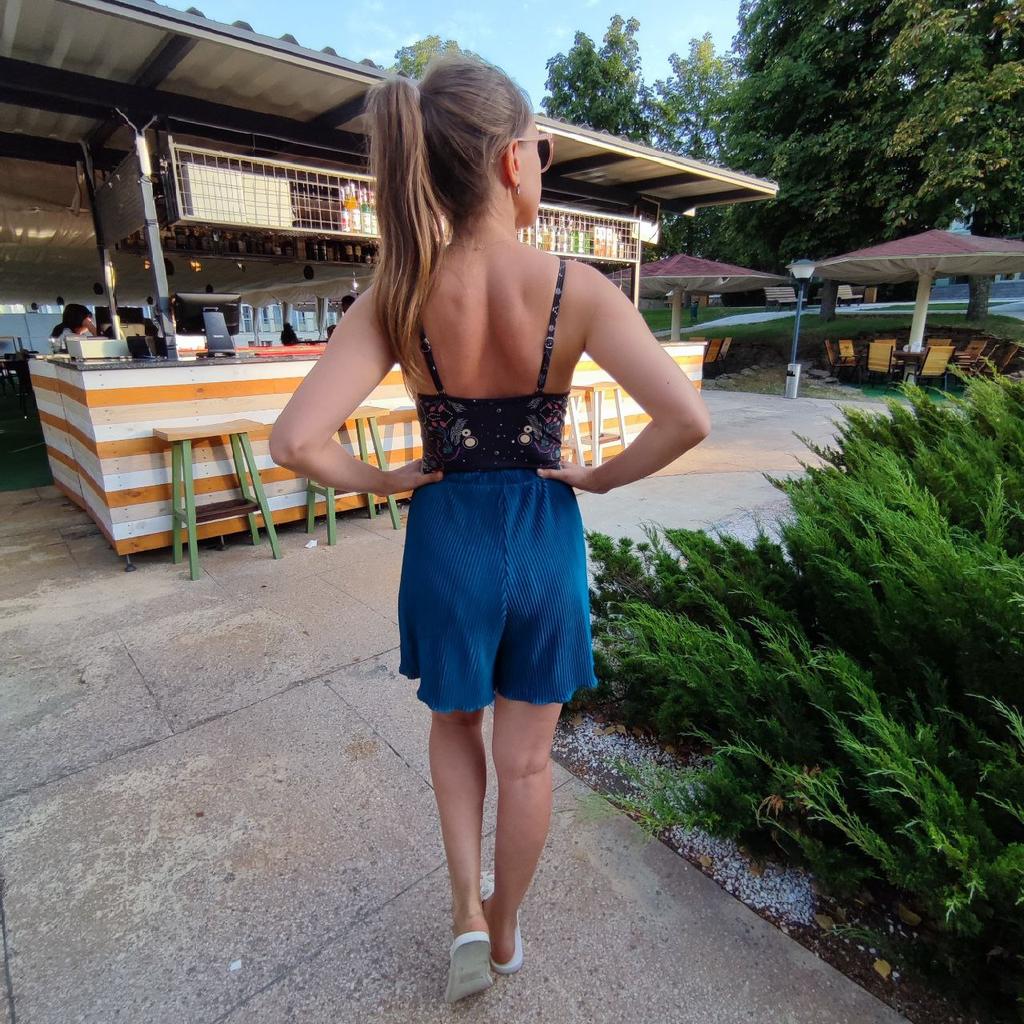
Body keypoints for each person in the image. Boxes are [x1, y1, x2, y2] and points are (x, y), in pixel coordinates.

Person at [269, 54, 710, 1004]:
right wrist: (594, 475)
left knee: (454, 724)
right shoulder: (577, 287)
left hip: (447, 541)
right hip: (543, 536)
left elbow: (295, 441)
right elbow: (686, 419)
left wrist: (386, 477)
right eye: (541, 151)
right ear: (513, 161)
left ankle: (465, 907)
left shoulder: (397, 293)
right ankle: (506, 929)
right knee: (529, 759)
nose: (542, 166)